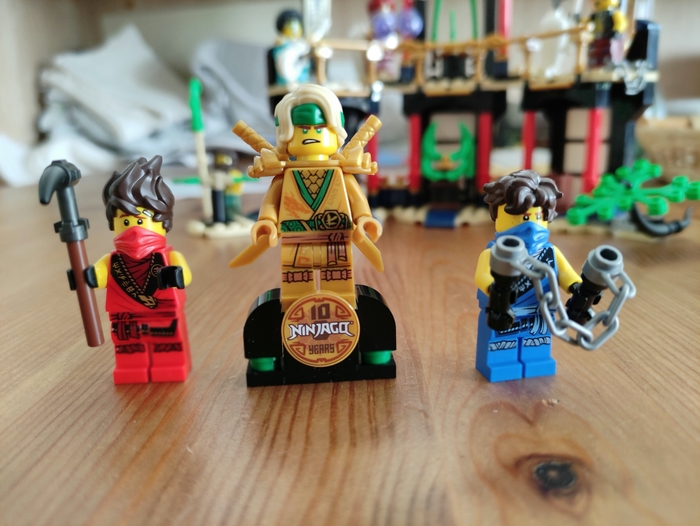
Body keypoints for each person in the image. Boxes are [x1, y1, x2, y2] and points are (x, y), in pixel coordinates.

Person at [91, 156, 192, 384]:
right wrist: (88, 275)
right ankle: (131, 368)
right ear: (114, 225)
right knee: (128, 345)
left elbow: (185, 275)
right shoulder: (111, 260)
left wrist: (175, 275)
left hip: (163, 312)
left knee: (167, 343)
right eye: (125, 222)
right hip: (125, 316)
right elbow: (99, 276)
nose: (135, 232)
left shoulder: (170, 257)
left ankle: (170, 367)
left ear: (163, 221)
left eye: (140, 221)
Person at [474, 170, 581, 382]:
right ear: (498, 215)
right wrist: (493, 288)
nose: (530, 227)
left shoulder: (550, 252)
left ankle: (535, 361)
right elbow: (482, 276)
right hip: (504, 310)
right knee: (501, 343)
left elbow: (566, 274)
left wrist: (576, 286)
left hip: (541, 311)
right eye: (523, 218)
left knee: (538, 341)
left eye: (537, 217)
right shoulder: (494, 253)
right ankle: (499, 364)